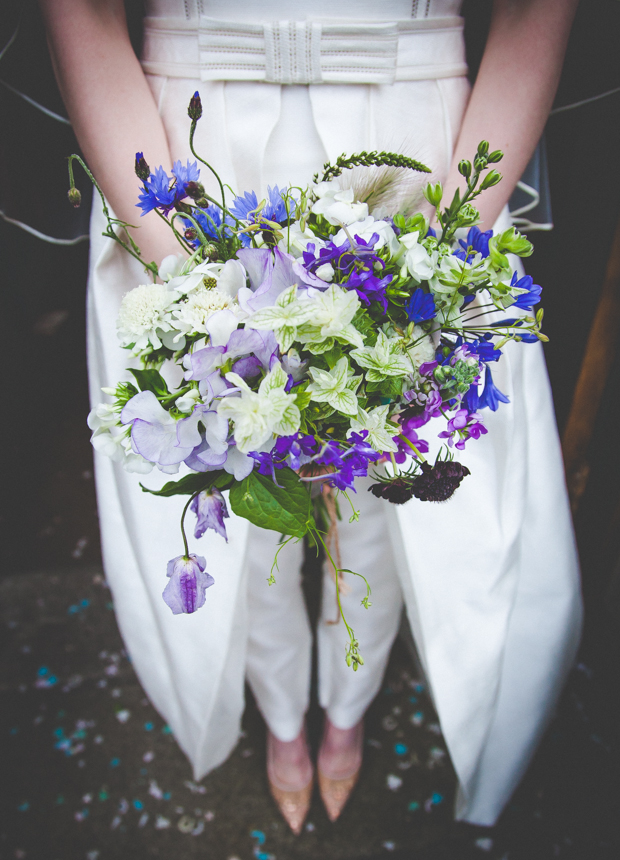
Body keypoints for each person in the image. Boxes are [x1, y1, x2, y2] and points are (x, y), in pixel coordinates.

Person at [40, 0, 582, 836]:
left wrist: (444, 251)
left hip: (421, 161)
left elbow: (533, 14)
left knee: (393, 490)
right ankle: (283, 717)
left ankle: (346, 709)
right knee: (224, 494)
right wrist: (181, 274)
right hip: (185, 166)